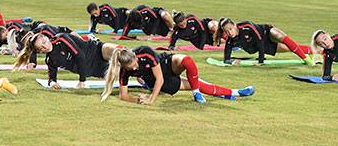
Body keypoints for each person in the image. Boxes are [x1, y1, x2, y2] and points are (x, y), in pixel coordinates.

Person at [100, 46, 254, 104]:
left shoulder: (145, 52)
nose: (135, 66)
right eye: (131, 67)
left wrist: (151, 100)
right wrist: (137, 100)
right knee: (199, 84)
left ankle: (196, 92)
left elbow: (159, 75)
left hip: (165, 65)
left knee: (188, 61)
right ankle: (236, 92)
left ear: (134, 54)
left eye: (134, 62)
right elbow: (123, 96)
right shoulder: (125, 71)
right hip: (163, 83)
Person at [13, 32, 120, 88]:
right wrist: (52, 83)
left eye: (44, 42)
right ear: (39, 51)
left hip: (95, 51)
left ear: (46, 38)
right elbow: (51, 77)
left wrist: (82, 81)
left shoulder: (61, 39)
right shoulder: (50, 60)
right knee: (123, 69)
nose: (45, 47)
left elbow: (80, 56)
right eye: (41, 48)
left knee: (121, 53)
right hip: (92, 69)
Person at [215, 18, 315, 66]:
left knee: (279, 35)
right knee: (288, 48)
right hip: (261, 46)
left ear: (235, 25)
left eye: (231, 29)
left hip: (265, 33)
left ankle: (306, 59)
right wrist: (233, 62)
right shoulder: (230, 40)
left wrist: (261, 61)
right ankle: (313, 51)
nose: (229, 33)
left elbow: (259, 41)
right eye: (226, 31)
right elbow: (226, 59)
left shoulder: (247, 26)